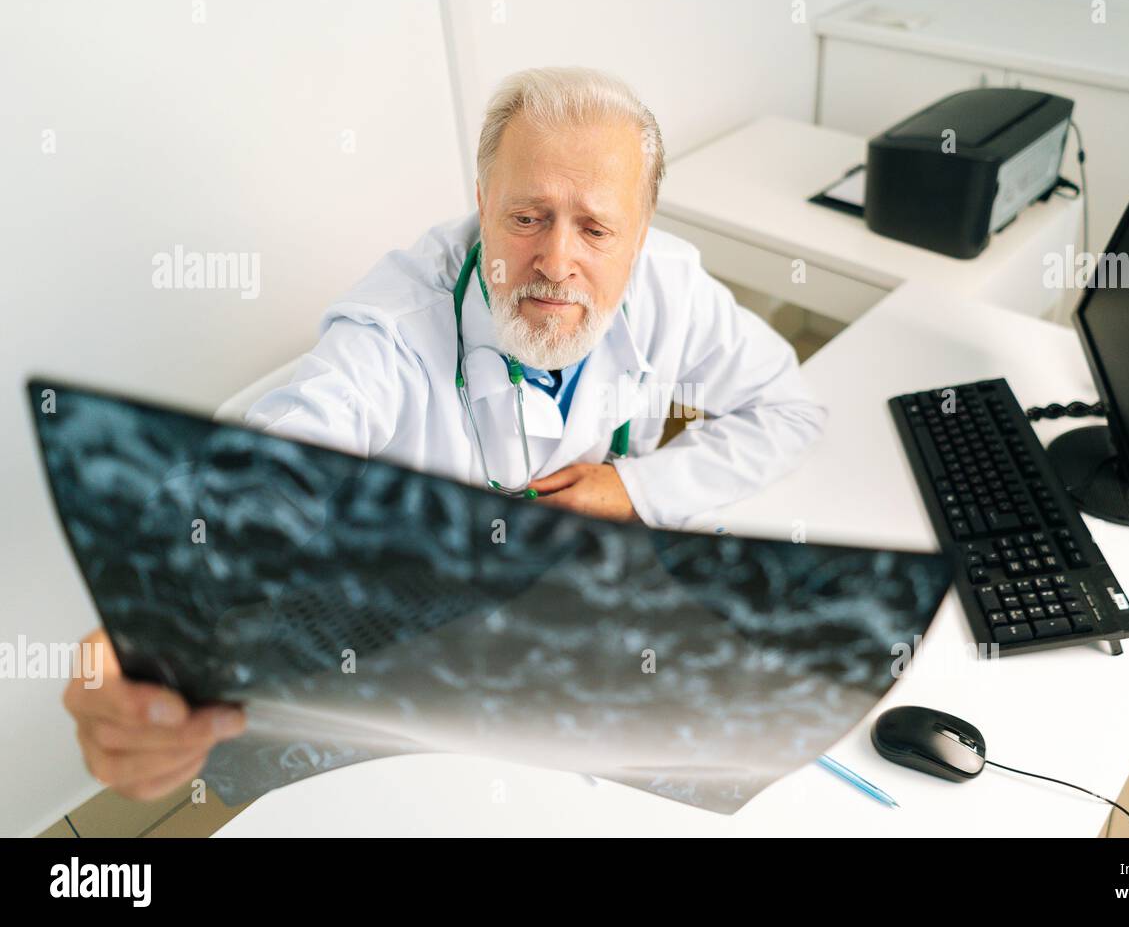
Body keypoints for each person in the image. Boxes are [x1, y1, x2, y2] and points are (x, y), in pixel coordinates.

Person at [65, 66, 826, 800]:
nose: (556, 262)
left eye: (596, 228)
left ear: (641, 234)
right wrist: (145, 621)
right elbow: (269, 469)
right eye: (526, 218)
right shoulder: (392, 332)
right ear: (482, 201)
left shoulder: (672, 287)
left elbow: (791, 410)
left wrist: (638, 486)